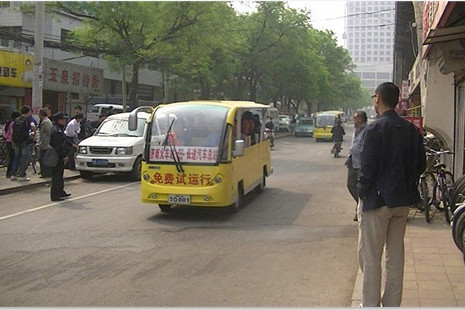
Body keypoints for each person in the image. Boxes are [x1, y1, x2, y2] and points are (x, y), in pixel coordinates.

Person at [357, 82, 426, 307]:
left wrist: (362, 193)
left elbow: (367, 168)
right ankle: (392, 304)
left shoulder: (374, 130)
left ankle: (370, 304)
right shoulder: (410, 130)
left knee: (371, 258)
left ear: (377, 99)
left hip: (377, 202)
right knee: (395, 258)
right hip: (402, 202)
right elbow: (421, 164)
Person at [346, 110, 367, 221]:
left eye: (355, 118)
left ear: (361, 119)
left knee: (360, 187)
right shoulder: (356, 130)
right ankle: (361, 204)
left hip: (361, 164)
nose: (353, 120)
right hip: (352, 161)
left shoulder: (367, 130)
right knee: (351, 185)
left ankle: (360, 209)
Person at [50, 112, 71, 202]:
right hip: (57, 156)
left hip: (58, 155)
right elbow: (59, 146)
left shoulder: (59, 129)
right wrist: (64, 155)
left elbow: (65, 140)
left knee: (60, 174)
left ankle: (61, 191)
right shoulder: (56, 131)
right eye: (63, 119)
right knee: (57, 176)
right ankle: (55, 195)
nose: (65, 121)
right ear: (58, 120)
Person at [10, 106, 34, 181]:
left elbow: (12, 130)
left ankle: (13, 174)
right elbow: (33, 126)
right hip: (24, 141)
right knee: (24, 158)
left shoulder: (16, 119)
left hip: (16, 141)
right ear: (28, 112)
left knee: (16, 158)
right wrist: (33, 134)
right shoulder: (27, 119)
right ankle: (22, 174)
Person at [2, 111, 21, 179]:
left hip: (8, 141)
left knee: (11, 157)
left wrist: (6, 137)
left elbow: (4, 130)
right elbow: (12, 132)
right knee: (14, 157)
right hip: (12, 141)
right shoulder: (14, 123)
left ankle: (9, 173)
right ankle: (11, 172)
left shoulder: (8, 122)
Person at [38, 108, 53, 178]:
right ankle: (44, 173)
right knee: (42, 159)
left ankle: (46, 173)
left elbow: (50, 133)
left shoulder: (46, 122)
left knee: (44, 159)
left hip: (45, 144)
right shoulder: (44, 122)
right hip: (43, 144)